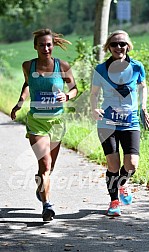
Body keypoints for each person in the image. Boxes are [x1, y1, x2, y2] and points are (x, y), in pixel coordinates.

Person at [11, 28, 78, 221]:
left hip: (57, 122)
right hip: (36, 122)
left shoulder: (62, 65)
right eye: (41, 45)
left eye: (49, 44)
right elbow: (27, 84)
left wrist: (66, 95)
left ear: (53, 45)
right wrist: (20, 102)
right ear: (35, 47)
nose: (46, 48)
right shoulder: (28, 66)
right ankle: (47, 205)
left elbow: (74, 88)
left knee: (48, 169)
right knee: (45, 163)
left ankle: (41, 187)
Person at [90, 30, 149, 216]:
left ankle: (122, 184)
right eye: (114, 44)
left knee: (132, 164)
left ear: (128, 46)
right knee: (113, 165)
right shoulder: (101, 69)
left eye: (122, 43)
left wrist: (144, 108)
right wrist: (94, 108)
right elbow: (93, 94)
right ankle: (114, 202)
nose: (119, 47)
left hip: (130, 121)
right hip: (107, 122)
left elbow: (143, 87)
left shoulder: (137, 67)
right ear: (108, 47)